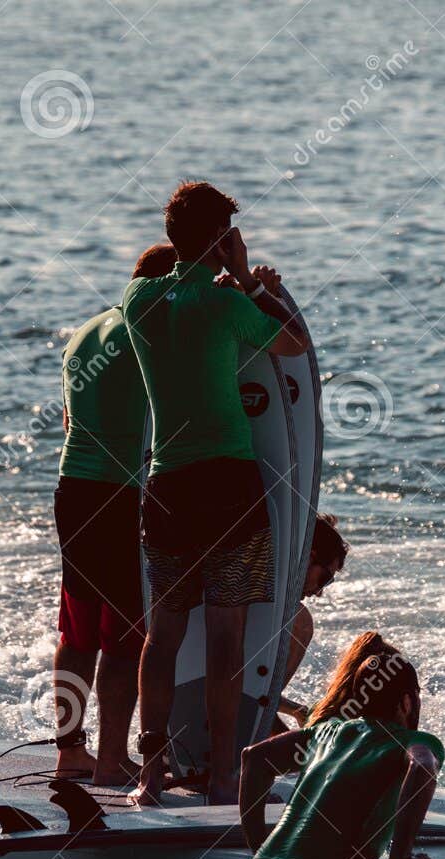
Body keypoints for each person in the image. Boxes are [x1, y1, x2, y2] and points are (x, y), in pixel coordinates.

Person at [122, 181, 309, 806]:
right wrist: (250, 281)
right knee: (226, 636)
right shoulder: (230, 306)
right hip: (229, 487)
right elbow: (293, 345)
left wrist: (215, 267)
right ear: (221, 238)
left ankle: (150, 775)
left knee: (163, 635)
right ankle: (225, 777)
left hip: (167, 485)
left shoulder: (137, 299)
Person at [232, 632, 441, 859]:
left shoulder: (326, 731)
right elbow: (422, 767)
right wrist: (401, 858)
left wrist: (257, 846)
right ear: (406, 703)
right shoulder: (409, 741)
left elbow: (254, 758)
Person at [51, 243, 178, 786]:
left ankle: (70, 751)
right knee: (125, 638)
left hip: (71, 489)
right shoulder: (148, 334)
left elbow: (67, 419)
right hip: (115, 496)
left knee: (77, 631)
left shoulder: (85, 332)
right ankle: (110, 760)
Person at [277, 513, 349, 728]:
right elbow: (258, 701)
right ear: (308, 558)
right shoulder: (298, 621)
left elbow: (256, 696)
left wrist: (296, 711)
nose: (319, 592)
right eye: (325, 578)